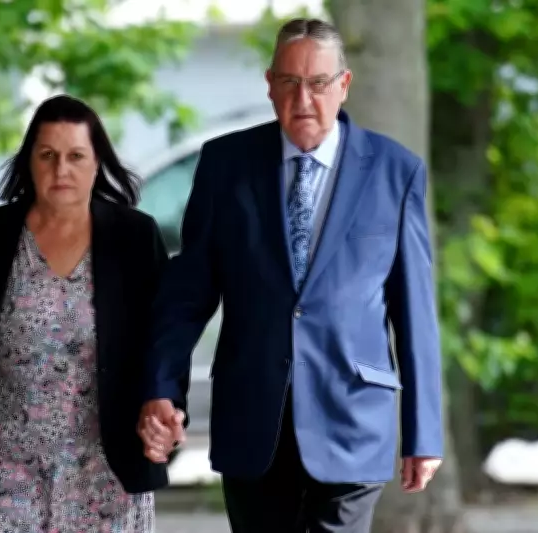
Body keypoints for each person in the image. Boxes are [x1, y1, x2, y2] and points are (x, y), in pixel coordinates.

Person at [137, 17, 444, 533]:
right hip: (252, 417)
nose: (304, 99)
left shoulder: (395, 171)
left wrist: (423, 432)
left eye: (318, 83)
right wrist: (162, 389)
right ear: (270, 84)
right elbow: (187, 296)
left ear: (344, 85)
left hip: (352, 418)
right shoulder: (225, 165)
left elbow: (414, 312)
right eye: (289, 82)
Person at [0, 94, 169, 532]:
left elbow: (164, 343)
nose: (61, 170)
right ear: (30, 162)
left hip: (105, 468)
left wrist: (166, 409)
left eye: (75, 156)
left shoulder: (134, 237)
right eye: (47, 155)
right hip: (1, 465)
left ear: (97, 163)